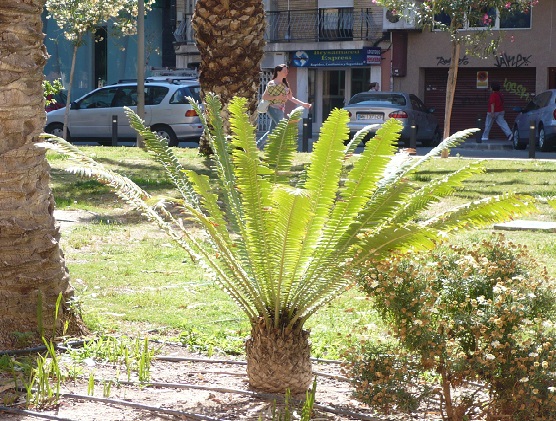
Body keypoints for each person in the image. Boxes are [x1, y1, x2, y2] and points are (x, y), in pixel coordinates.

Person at [258, 64, 311, 148]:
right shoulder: (272, 83)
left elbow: (291, 98)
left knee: (271, 132)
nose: (286, 72)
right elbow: (264, 97)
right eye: (284, 71)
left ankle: (257, 146)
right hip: (273, 108)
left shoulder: (285, 84)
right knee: (283, 127)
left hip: (280, 110)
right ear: (278, 72)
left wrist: (303, 104)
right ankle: (283, 148)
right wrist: (277, 97)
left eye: (287, 71)